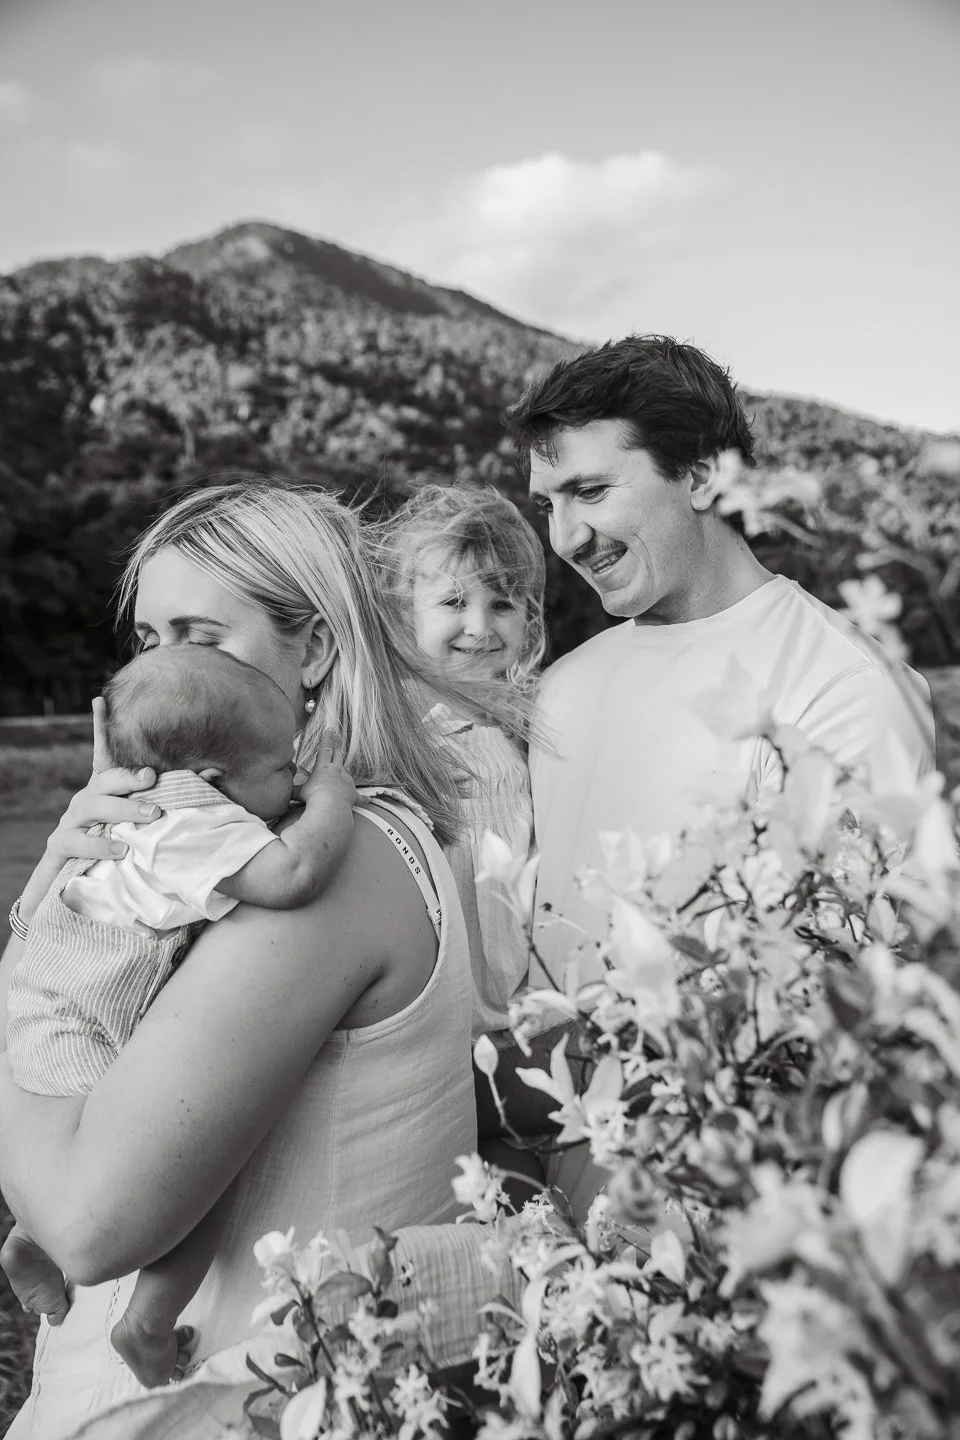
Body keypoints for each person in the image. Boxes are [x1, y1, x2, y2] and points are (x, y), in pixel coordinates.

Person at [0, 480, 522, 1438]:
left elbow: (85, 1221)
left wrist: (27, 955)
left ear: (317, 649)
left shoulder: (339, 855)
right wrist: (64, 889)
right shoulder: (259, 835)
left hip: (231, 1397)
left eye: (201, 636)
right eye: (148, 641)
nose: (167, 671)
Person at [503, 334, 936, 1216]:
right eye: (549, 503)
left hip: (716, 1205)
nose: (567, 537)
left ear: (701, 477)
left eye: (591, 491)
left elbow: (860, 998)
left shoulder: (837, 687)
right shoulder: (563, 685)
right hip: (530, 1177)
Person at [1, 643, 358, 1387]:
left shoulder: (144, 800)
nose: (294, 776)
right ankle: (151, 1319)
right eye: (283, 765)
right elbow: (291, 875)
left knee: (74, 1147)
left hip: (51, 991)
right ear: (218, 782)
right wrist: (334, 796)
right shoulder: (197, 818)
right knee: (183, 1167)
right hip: (87, 1010)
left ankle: (29, 1241)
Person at [376, 483, 544, 1041]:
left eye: (502, 604)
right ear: (404, 616)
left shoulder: (526, 723)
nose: (479, 626)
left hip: (516, 985)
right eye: (453, 603)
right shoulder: (398, 723)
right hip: (437, 996)